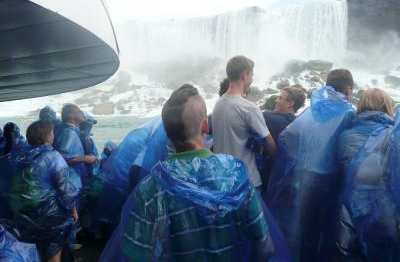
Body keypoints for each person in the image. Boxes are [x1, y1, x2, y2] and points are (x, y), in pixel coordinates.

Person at [99, 84, 290, 262]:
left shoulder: (151, 188)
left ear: (166, 131)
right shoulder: (235, 176)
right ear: (205, 126)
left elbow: (136, 256)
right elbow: (265, 248)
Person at [267, 69, 355, 262]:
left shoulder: (312, 109)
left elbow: (287, 136)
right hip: (327, 183)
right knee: (326, 232)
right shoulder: (348, 113)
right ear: (348, 89)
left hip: (302, 177)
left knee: (305, 229)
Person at [3, 121, 81, 262]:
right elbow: (66, 190)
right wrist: (73, 210)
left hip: (24, 215)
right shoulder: (53, 157)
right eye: (52, 132)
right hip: (50, 217)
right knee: (54, 252)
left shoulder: (17, 157)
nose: (53, 135)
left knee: (34, 250)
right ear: (47, 136)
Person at [334, 101, 400, 261]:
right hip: (385, 212)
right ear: (387, 108)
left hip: (347, 208)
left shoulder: (344, 135)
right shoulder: (392, 135)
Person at [212, 56, 276, 190]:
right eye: (251, 75)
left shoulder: (218, 104)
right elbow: (270, 146)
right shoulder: (249, 108)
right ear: (245, 75)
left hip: (223, 181)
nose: (252, 79)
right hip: (247, 182)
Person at [338, 88, 394, 171]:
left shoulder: (345, 136)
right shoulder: (394, 135)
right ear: (387, 106)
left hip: (350, 183)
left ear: (361, 105)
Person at [53, 104, 97, 177]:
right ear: (71, 115)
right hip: (70, 177)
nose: (82, 113)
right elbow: (63, 159)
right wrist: (86, 158)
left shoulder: (69, 130)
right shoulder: (68, 133)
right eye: (79, 111)